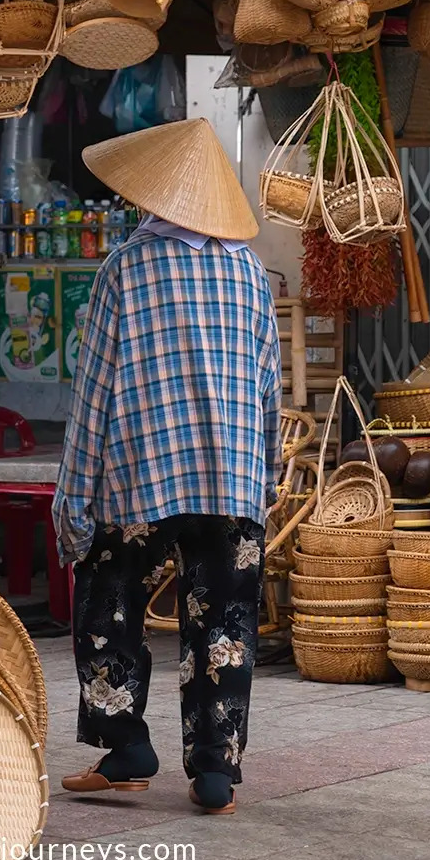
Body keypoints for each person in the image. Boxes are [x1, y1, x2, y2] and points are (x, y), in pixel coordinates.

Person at [53, 117, 281, 816]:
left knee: (106, 598)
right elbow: (268, 388)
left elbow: (95, 391)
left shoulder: (126, 267)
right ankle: (214, 774)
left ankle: (125, 746)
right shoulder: (248, 271)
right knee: (225, 626)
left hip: (141, 479)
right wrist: (261, 483)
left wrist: (75, 497)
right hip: (232, 479)